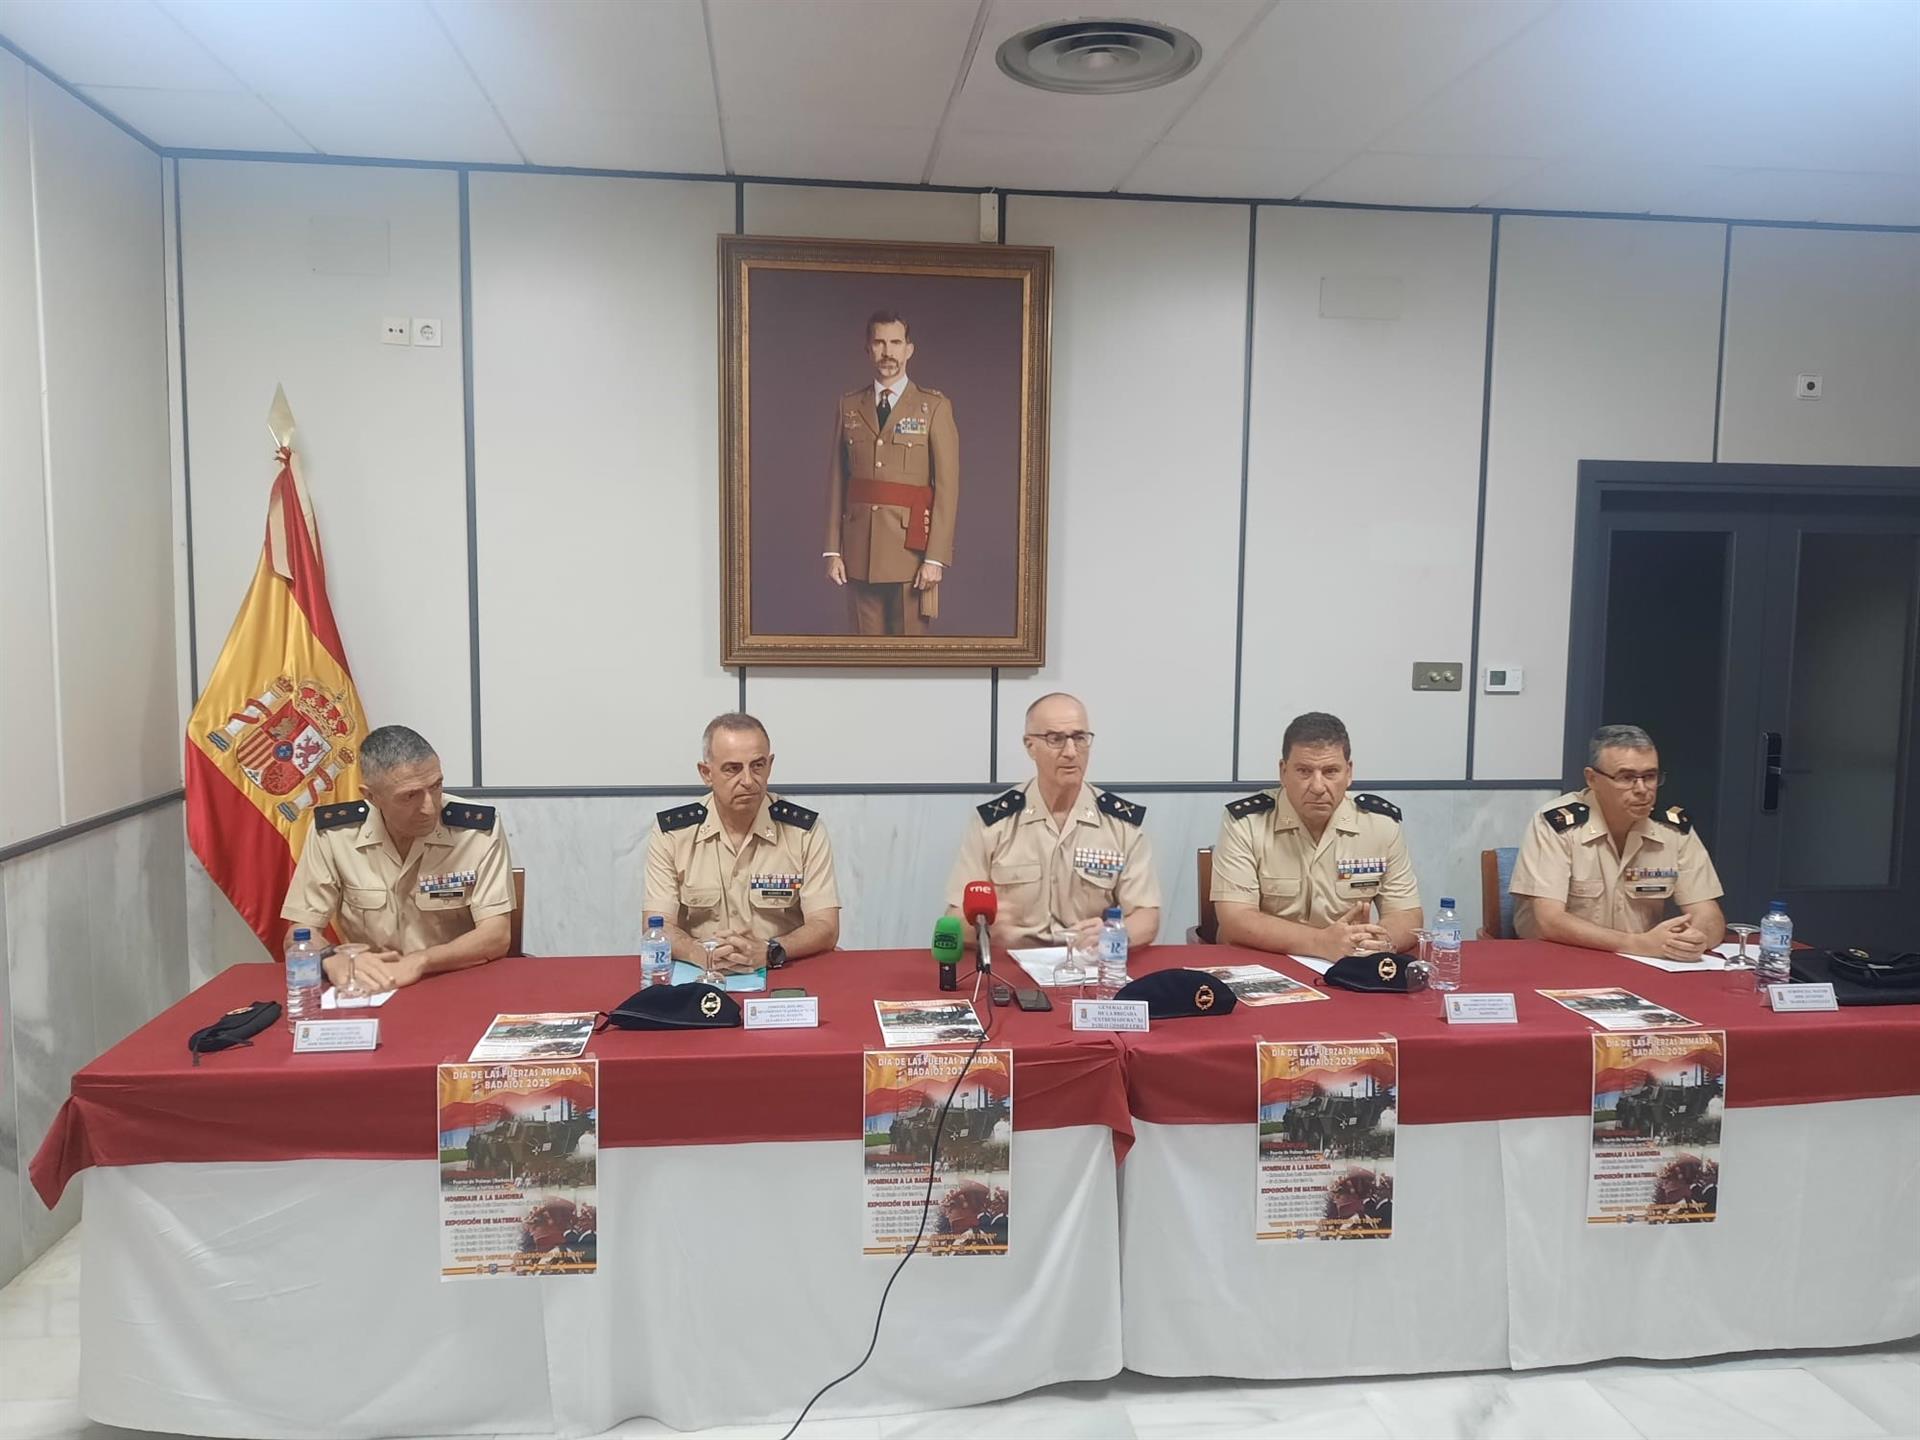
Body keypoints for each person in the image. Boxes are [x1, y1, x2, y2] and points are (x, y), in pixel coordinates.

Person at [282, 724, 515, 994]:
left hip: (452, 981)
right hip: (372, 986)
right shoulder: (335, 833)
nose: (430, 807)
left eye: (436, 786)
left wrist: (421, 961)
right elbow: (299, 932)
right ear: (370, 796)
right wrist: (330, 958)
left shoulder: (475, 830)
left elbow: (496, 935)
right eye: (410, 795)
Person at [945, 692, 1160, 951]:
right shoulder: (995, 822)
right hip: (1013, 967)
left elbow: (1147, 917)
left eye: (1080, 738)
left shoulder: (1121, 823)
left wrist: (1115, 934)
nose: (1071, 752)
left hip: (1090, 963)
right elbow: (955, 917)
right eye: (1055, 739)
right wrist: (984, 927)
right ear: (1030, 746)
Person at [1211, 711, 1423, 961]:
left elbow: (1407, 913)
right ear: (1283, 771)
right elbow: (1235, 920)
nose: (1318, 786)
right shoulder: (1246, 823)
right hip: (1263, 962)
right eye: (1304, 771)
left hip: (1347, 963)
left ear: (1349, 772)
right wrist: (1320, 943)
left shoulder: (1380, 824)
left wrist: (1379, 940)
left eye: (1331, 771)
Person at [644, 713, 841, 974]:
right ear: (706, 773)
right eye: (732, 768)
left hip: (782, 970)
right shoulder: (673, 833)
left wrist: (771, 950)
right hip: (701, 975)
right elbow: (656, 925)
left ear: (770, 765)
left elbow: (826, 926)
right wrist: (700, 953)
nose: (748, 781)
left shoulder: (804, 831)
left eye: (757, 765)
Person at [1510, 723, 1726, 958]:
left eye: (1650, 776)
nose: (1642, 789)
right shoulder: (1558, 824)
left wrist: (1694, 939)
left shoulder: (1672, 828)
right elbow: (1549, 921)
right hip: (1562, 959)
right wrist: (1636, 944)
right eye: (1627, 777)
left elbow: (1709, 916)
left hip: (1641, 962)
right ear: (1592, 779)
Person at [824, 310, 959, 636]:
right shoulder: (850, 405)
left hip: (910, 554)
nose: (888, 352)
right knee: (864, 657)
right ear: (868, 349)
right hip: (859, 553)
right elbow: (837, 481)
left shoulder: (934, 407)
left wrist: (936, 558)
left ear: (908, 349)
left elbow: (947, 487)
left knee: (909, 657)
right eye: (879, 342)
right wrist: (832, 550)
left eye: (895, 342)